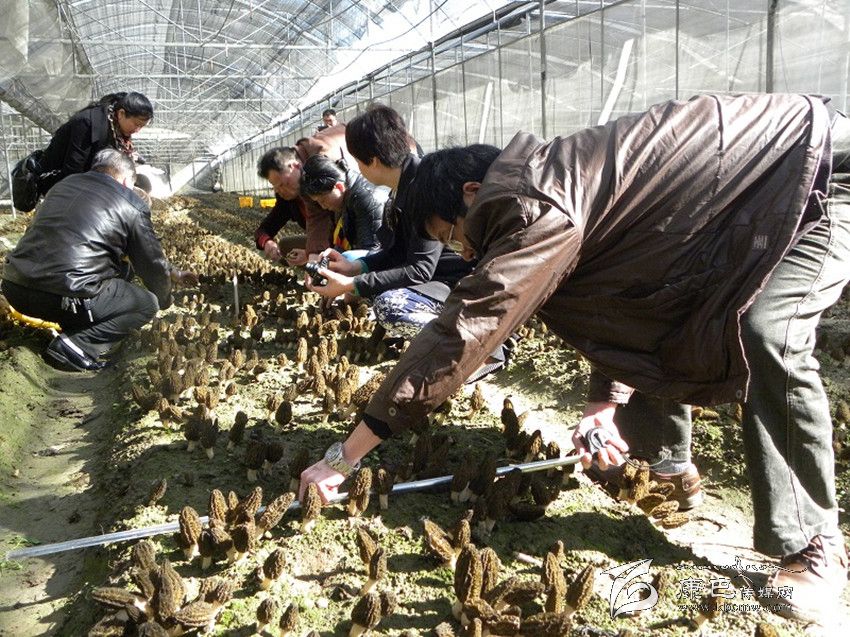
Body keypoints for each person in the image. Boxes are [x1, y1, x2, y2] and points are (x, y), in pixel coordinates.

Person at [300, 93, 850, 625]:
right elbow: (628, 298)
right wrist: (603, 405)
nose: (463, 252)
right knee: (666, 299)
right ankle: (666, 468)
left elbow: (465, 330)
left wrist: (345, 456)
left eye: (452, 233)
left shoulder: (536, 205)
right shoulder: (552, 186)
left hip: (819, 173)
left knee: (767, 331)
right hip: (744, 202)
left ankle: (813, 540)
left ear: (472, 192)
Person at [1, 149, 196, 372]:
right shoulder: (131, 202)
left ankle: (74, 326)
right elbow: (150, 264)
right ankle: (77, 346)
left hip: (15, 288)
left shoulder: (63, 186)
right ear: (127, 180)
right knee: (146, 303)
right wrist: (164, 299)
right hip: (63, 296)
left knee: (122, 271)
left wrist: (172, 270)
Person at [304, 104, 472, 340]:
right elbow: (397, 252)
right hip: (434, 277)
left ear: (372, 161)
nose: (356, 169)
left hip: (455, 281)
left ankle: (463, 336)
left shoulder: (423, 188)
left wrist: (351, 284)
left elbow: (420, 270)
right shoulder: (401, 188)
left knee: (390, 307)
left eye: (357, 161)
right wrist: (355, 268)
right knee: (371, 289)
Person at [254, 125, 356, 266]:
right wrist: (267, 242)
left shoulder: (320, 162)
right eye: (276, 187)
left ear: (294, 166)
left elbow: (319, 216)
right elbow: (266, 227)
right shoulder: (290, 192)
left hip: (351, 233)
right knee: (287, 246)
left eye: (283, 184)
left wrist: (314, 258)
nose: (281, 191)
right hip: (330, 239)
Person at [37, 92, 153, 196]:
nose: (137, 130)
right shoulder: (87, 123)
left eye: (141, 126)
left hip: (90, 183)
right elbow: (73, 169)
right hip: (64, 186)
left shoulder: (117, 127)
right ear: (121, 113)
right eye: (136, 124)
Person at [300, 154, 383, 260]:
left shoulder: (364, 199)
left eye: (323, 200)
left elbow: (371, 252)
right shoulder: (344, 199)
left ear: (338, 187)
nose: (323, 207)